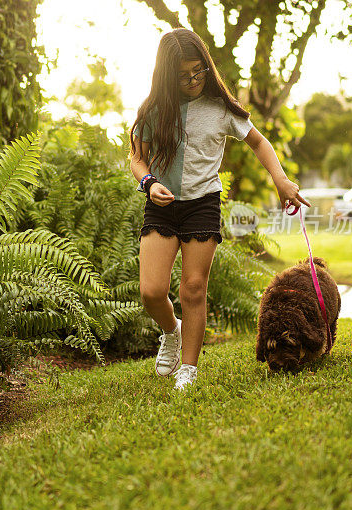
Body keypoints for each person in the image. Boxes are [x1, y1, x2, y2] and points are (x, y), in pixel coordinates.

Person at [128, 28, 311, 391]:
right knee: (151, 291)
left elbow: (259, 142)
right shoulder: (153, 110)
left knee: (193, 289)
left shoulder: (221, 109)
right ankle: (171, 331)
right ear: (167, 74)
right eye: (184, 75)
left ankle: (189, 370)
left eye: (199, 71)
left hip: (203, 204)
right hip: (162, 206)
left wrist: (281, 180)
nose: (194, 79)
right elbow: (137, 157)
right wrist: (149, 183)